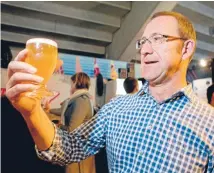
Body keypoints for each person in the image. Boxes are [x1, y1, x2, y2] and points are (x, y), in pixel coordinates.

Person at [5, 11, 214, 173]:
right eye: (143, 42)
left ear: (186, 49)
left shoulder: (209, 124)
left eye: (158, 39)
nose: (145, 50)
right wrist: (32, 112)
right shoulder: (116, 109)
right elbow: (67, 148)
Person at [49, 72, 96, 173]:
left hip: (79, 154)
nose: (71, 87)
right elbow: (63, 111)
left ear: (76, 83)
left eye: (71, 84)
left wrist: (58, 127)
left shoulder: (81, 101)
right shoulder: (76, 99)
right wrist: (48, 110)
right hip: (75, 150)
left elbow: (72, 130)